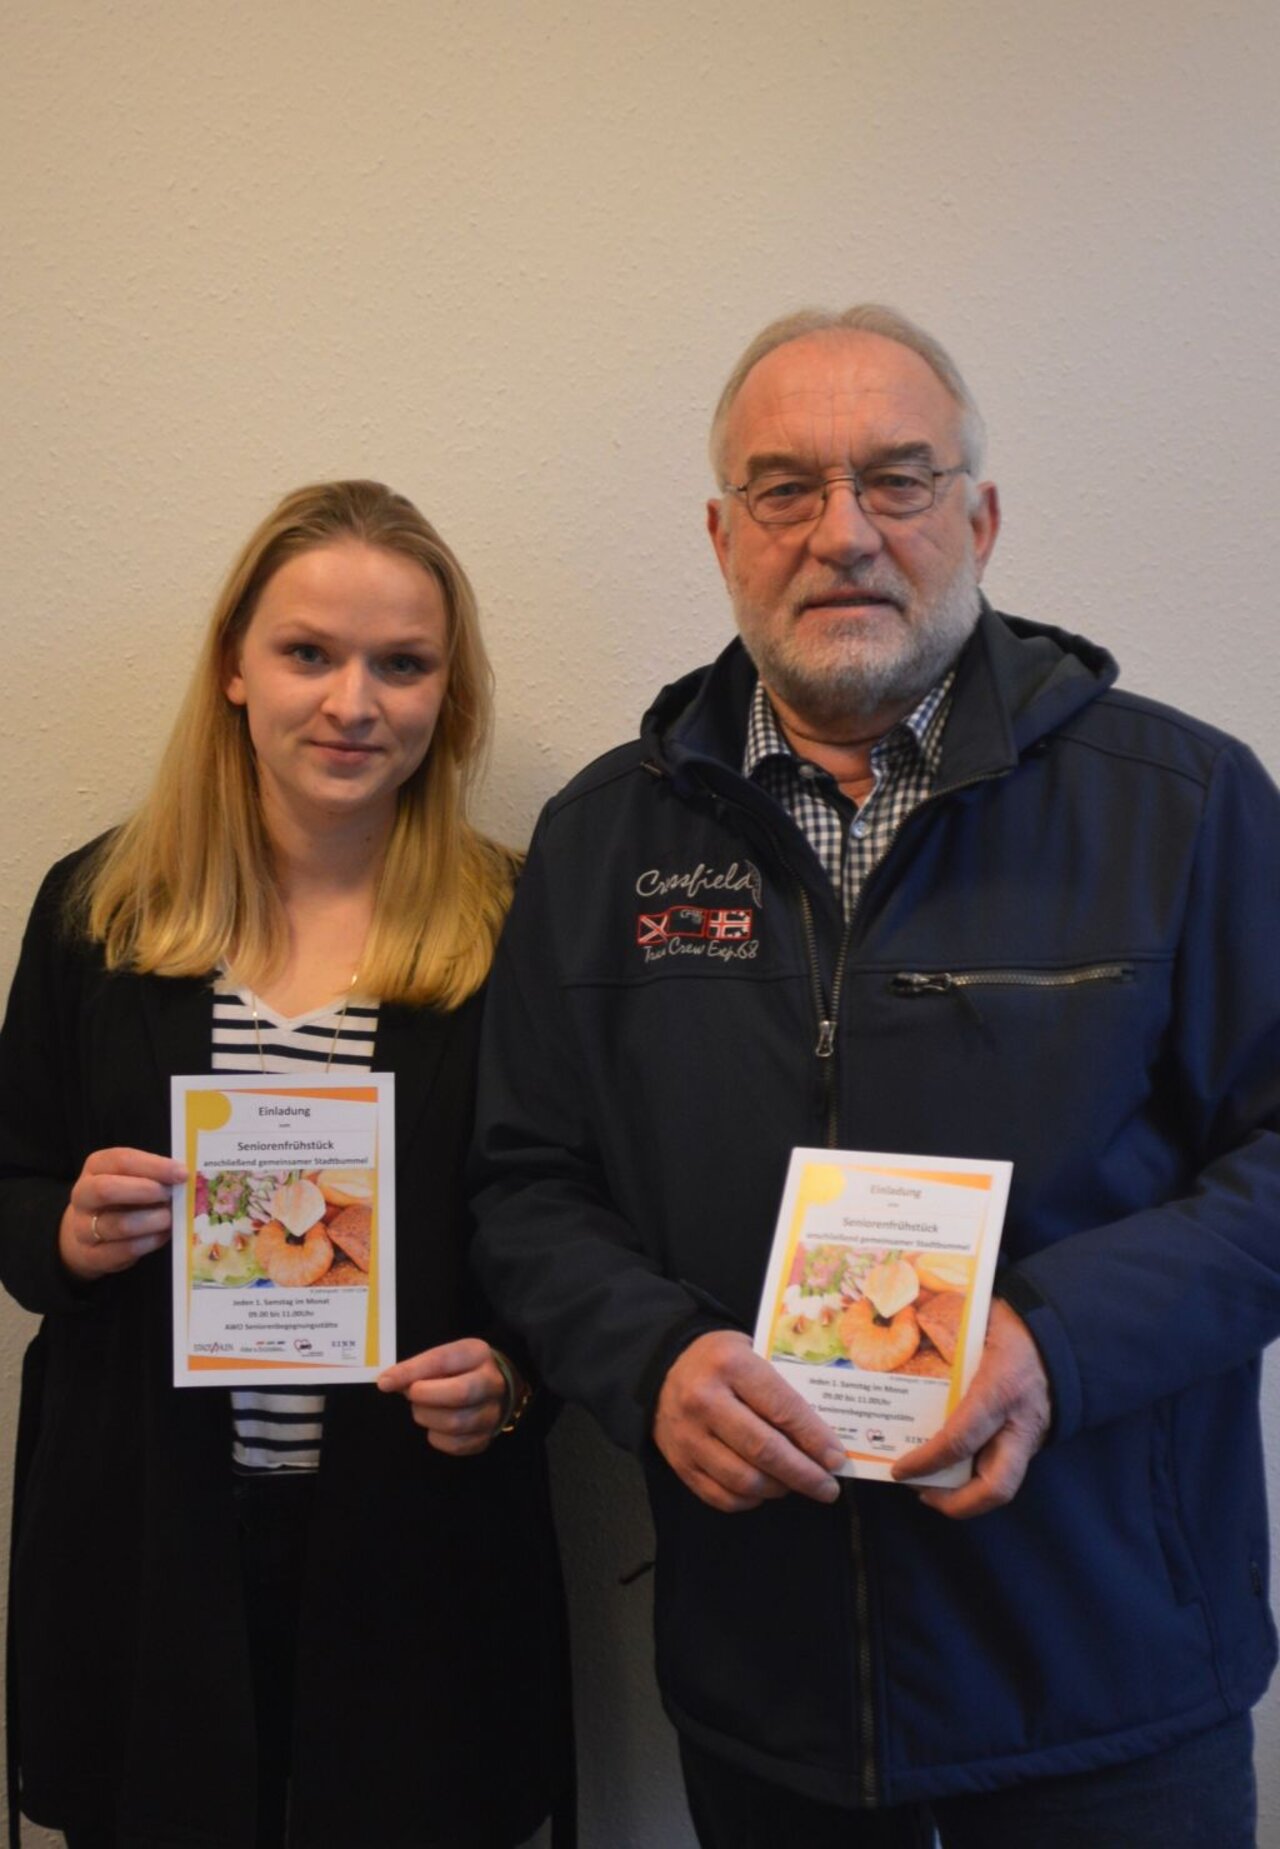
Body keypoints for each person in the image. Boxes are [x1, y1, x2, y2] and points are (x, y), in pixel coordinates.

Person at [470, 307, 1280, 1847]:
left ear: (981, 517)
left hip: (1108, 1681)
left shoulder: (1184, 804)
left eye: (898, 479)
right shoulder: (604, 840)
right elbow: (525, 1186)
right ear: (723, 537)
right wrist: (652, 1360)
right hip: (771, 1696)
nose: (842, 531)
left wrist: (1055, 1343)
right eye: (785, 487)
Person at [0, 481, 572, 1849]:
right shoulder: (100, 910)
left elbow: (576, 1227)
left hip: (414, 1556)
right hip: (152, 1545)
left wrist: (512, 1384)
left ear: (448, 693)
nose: (352, 702)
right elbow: (11, 1182)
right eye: (309, 652)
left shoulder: (518, 927)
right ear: (234, 668)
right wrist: (67, 1233)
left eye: (402, 664)